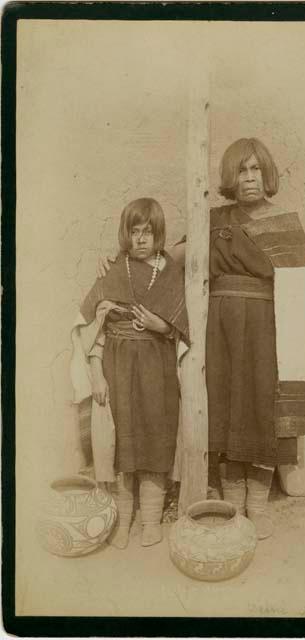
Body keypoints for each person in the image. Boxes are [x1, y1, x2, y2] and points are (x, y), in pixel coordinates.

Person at [98, 138, 305, 541]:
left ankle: (258, 503)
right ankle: (233, 500)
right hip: (217, 328)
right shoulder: (212, 220)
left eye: (255, 170)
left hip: (267, 329)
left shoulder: (286, 225)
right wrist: (119, 263)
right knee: (225, 405)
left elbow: (300, 294)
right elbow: (167, 258)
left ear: (266, 175)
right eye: (240, 170)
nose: (248, 178)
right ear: (229, 178)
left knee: (261, 405)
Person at [71, 198, 189, 549]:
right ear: (125, 234)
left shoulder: (169, 271)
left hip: (158, 370)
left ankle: (151, 519)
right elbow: (92, 328)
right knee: (120, 441)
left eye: (148, 233)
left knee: (155, 436)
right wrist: (96, 372)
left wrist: (162, 326)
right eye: (134, 232)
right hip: (117, 368)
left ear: (158, 235)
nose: (140, 239)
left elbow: (184, 329)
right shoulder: (113, 269)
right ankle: (123, 519)